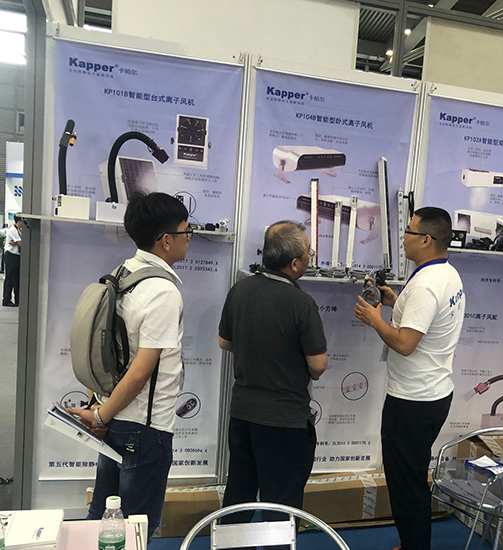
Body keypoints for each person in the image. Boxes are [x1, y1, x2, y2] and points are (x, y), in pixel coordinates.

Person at [68, 192, 191, 543]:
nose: (189, 238)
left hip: (114, 417)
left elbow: (99, 351)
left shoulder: (121, 274)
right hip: (144, 429)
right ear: (166, 240)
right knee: (135, 530)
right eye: (186, 231)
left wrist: (101, 410)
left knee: (102, 523)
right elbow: (140, 372)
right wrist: (101, 416)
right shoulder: (163, 291)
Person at [354, 207, 466, 550]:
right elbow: (424, 321)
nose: (403, 237)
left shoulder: (426, 285)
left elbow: (405, 344)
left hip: (412, 401)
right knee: (411, 476)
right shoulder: (446, 274)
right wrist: (394, 302)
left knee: (407, 484)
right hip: (433, 393)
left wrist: (375, 320)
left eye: (409, 231)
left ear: (426, 239)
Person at [218, 221, 328, 540]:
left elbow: (225, 342)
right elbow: (318, 365)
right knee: (280, 504)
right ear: (294, 263)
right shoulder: (300, 303)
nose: (309, 258)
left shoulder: (240, 289)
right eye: (309, 254)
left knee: (239, 492)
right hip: (284, 419)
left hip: (243, 414)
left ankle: (230, 547)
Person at [3, 215, 23, 307]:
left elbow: (18, 241)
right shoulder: (13, 230)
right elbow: (21, 243)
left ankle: (18, 299)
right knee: (10, 278)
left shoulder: (19, 230)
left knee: (17, 279)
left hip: (16, 256)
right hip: (11, 255)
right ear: (19, 222)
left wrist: (16, 242)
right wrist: (17, 242)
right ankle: (6, 299)